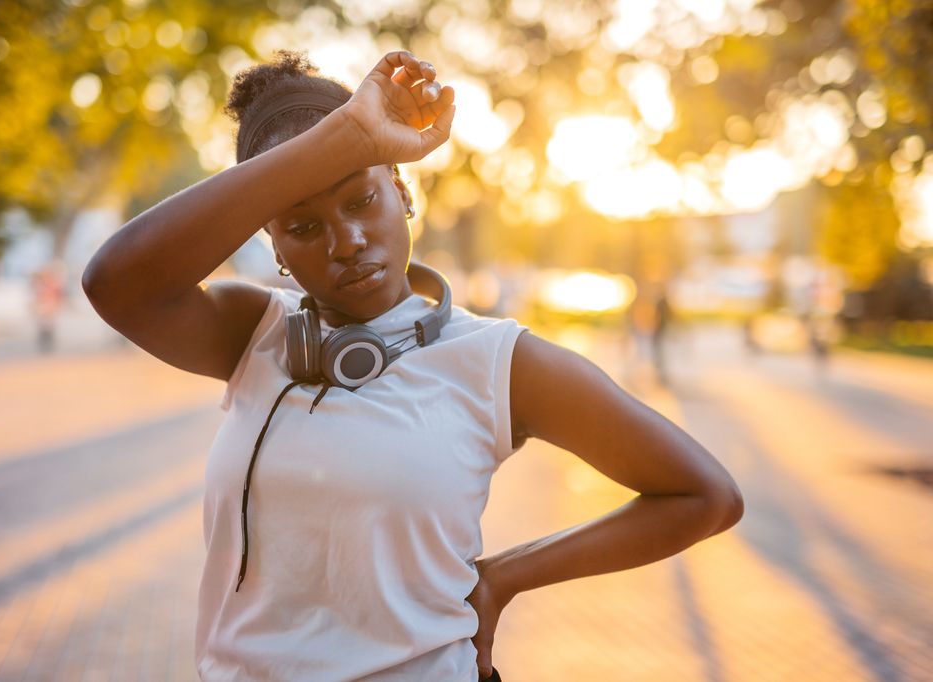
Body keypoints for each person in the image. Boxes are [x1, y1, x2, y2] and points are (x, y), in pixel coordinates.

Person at [82, 50, 743, 682]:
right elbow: (114, 284)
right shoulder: (251, 333)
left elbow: (704, 496)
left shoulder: (498, 362)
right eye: (303, 227)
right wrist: (342, 139)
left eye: (360, 200)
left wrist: (505, 577)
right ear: (274, 245)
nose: (347, 242)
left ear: (401, 190)